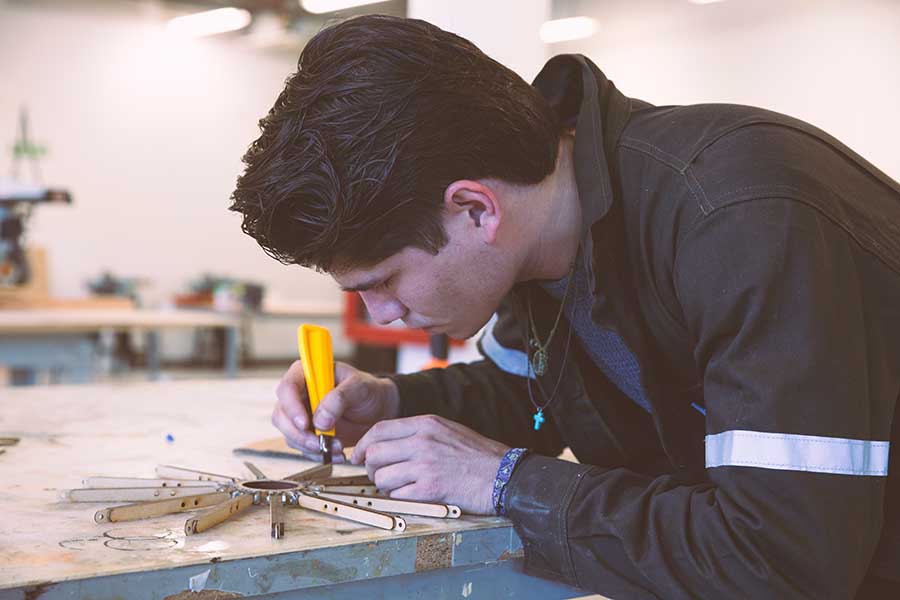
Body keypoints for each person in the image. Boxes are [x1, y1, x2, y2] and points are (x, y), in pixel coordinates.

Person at [228, 14, 900, 599]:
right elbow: (533, 394)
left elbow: (781, 564)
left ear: (473, 209)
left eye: (383, 280)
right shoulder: (543, 239)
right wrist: (390, 403)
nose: (381, 317)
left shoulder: (737, 218)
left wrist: (507, 483)